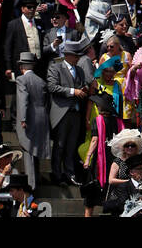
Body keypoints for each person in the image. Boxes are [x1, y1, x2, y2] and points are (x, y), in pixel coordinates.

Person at [47, 37, 88, 185]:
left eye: (79, 56)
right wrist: (73, 91)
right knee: (60, 145)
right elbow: (52, 87)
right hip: (61, 112)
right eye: (75, 55)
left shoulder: (80, 71)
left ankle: (70, 174)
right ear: (67, 55)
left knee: (71, 146)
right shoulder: (55, 67)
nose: (77, 58)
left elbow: (82, 86)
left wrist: (83, 90)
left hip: (75, 113)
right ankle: (57, 175)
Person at [14, 52, 49, 191]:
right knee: (36, 150)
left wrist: (23, 118)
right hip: (42, 116)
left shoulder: (21, 79)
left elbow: (23, 100)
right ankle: (36, 180)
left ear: (22, 66)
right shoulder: (41, 80)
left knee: (28, 150)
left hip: (29, 117)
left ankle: (31, 186)